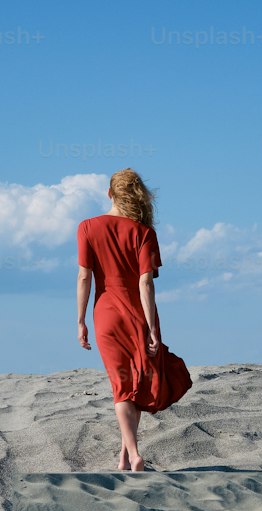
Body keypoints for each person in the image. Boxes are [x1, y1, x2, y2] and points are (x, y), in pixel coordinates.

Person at [76, 168, 173, 471]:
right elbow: (146, 283)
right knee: (135, 382)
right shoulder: (144, 233)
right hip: (138, 315)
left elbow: (84, 277)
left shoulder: (88, 227)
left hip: (105, 314)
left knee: (122, 386)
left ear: (109, 193)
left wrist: (80, 320)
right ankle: (130, 454)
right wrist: (153, 327)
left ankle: (129, 456)